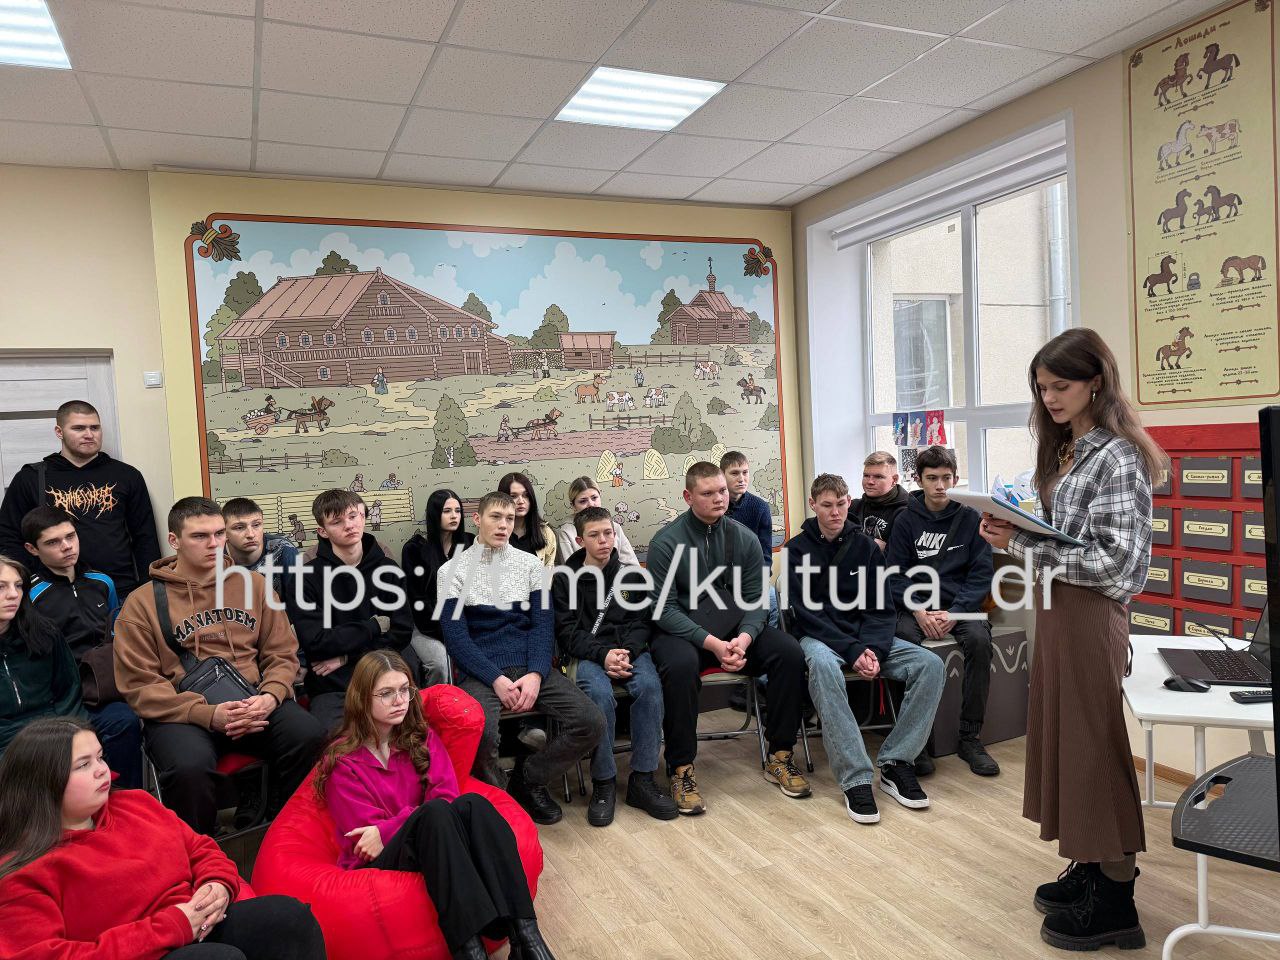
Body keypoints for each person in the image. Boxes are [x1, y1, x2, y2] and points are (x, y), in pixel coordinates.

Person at [979, 328, 1164, 951]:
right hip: (1059, 609)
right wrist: (1016, 531)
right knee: (1067, 742)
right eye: (1041, 388)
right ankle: (1090, 864)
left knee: (1095, 749)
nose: (1050, 398)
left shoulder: (1117, 458)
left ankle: (1116, 897)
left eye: (1061, 386)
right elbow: (1069, 539)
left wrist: (1021, 544)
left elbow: (1117, 565)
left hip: (1089, 616)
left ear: (1096, 383)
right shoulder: (1068, 450)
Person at [0, 716, 327, 960]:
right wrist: (173, 925)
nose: (101, 770)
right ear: (44, 783)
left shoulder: (135, 803)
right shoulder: (24, 871)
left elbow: (201, 848)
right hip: (143, 950)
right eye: (83, 765)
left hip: (197, 921)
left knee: (289, 918)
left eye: (100, 757)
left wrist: (217, 883)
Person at [318, 652, 556, 960]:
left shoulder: (421, 737)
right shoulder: (342, 762)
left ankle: (527, 939)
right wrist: (411, 820)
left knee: (473, 805)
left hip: (430, 837)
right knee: (435, 812)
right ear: (362, 698)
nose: (399, 701)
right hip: (377, 859)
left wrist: (392, 827)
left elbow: (446, 797)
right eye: (387, 693)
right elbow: (365, 840)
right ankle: (470, 951)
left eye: (404, 690)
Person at [113, 497, 326, 834]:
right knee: (189, 769)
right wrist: (206, 714)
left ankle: (282, 825)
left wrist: (271, 695)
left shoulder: (254, 585)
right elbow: (139, 684)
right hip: (184, 712)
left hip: (252, 699)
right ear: (174, 540)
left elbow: (282, 652)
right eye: (200, 536)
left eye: (219, 534)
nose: (213, 544)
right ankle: (202, 846)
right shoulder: (141, 604)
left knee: (309, 734)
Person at [645, 462, 810, 814]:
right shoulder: (665, 542)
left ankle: (780, 755)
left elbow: (756, 601)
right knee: (679, 666)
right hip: (682, 632)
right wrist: (714, 644)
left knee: (789, 653)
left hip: (734, 630)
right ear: (688, 497)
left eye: (721, 490)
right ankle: (680, 768)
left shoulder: (744, 538)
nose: (719, 498)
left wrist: (745, 640)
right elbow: (664, 610)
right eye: (708, 493)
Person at [785, 474, 944, 825]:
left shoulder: (866, 547)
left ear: (849, 503)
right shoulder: (796, 550)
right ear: (813, 505)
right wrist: (853, 650)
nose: (836, 512)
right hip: (822, 637)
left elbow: (881, 608)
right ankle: (855, 777)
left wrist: (871, 649)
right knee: (822, 666)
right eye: (827, 505)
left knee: (930, 664)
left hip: (864, 638)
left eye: (841, 504)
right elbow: (807, 615)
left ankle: (896, 762)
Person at [437, 492, 604, 825]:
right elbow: (456, 639)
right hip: (482, 672)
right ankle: (499, 799)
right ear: (477, 520)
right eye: (495, 517)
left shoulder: (530, 565)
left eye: (510, 519)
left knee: (590, 721)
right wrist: (496, 679)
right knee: (481, 732)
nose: (503, 525)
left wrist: (537, 674)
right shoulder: (451, 571)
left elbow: (543, 627)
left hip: (530, 667)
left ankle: (528, 780)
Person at [551, 507, 676, 826]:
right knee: (599, 694)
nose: (604, 540)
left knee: (649, 687)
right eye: (594, 535)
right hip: (588, 654)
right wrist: (603, 655)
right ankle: (604, 781)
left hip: (629, 652)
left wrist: (626, 653)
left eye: (608, 533)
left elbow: (641, 622)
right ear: (580, 540)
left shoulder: (631, 575)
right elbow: (567, 633)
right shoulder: (564, 580)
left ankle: (642, 779)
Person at [886, 445, 999, 778]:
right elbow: (894, 575)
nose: (940, 485)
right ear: (918, 480)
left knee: (979, 642)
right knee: (901, 643)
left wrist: (955, 612)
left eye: (946, 478)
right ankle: (914, 742)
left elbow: (981, 574)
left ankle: (970, 738)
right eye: (932, 478)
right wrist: (919, 610)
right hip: (915, 607)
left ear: (956, 478)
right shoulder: (905, 520)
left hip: (958, 607)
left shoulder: (972, 518)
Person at [23, 506, 143, 788]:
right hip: (62, 695)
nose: (67, 547)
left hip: (105, 687)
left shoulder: (102, 582)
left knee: (126, 721)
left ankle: (125, 799)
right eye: (53, 542)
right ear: (32, 549)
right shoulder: (30, 594)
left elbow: (114, 635)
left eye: (70, 536)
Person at [0, 400, 161, 594]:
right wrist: (28, 584)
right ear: (59, 432)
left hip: (120, 589)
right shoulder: (31, 478)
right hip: (56, 593)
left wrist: (149, 589)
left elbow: (145, 536)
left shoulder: (127, 475)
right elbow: (8, 537)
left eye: (95, 427)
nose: (89, 434)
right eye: (78, 428)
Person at [287, 490, 413, 732]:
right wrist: (374, 626)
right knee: (335, 744)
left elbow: (401, 634)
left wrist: (346, 657)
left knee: (412, 741)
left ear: (363, 517)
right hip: (333, 685)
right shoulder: (305, 579)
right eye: (337, 521)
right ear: (322, 531)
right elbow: (316, 643)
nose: (349, 525)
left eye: (353, 516)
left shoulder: (389, 570)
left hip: (385, 679)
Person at [0, 556, 84, 755]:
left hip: (52, 728)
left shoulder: (44, 632)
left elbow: (69, 690)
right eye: (1, 587)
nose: (13, 594)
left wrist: (69, 729)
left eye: (18, 586)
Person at [402, 489, 475, 688]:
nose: (454, 516)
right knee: (440, 663)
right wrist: (449, 632)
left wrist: (462, 629)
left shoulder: (470, 543)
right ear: (435, 514)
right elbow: (417, 600)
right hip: (426, 625)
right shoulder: (415, 549)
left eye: (458, 511)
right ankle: (435, 703)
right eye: (447, 511)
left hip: (465, 622)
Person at [221, 497, 301, 598]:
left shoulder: (283, 549)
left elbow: (296, 601)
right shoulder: (215, 556)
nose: (250, 534)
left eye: (256, 525)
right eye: (239, 527)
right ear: (224, 533)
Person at [553, 476, 639, 565]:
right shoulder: (567, 532)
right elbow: (570, 570)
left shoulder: (615, 527)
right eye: (583, 501)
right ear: (573, 506)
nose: (591, 504)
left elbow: (633, 565)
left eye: (594, 498)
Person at [849, 451, 909, 550]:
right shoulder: (852, 507)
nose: (870, 482)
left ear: (894, 480)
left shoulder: (907, 511)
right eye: (866, 476)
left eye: (878, 477)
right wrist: (872, 543)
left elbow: (900, 552)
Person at [498, 473, 556, 566]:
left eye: (525, 495)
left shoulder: (545, 533)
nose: (521, 501)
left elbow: (548, 569)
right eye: (513, 496)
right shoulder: (493, 532)